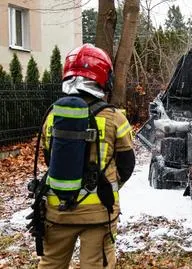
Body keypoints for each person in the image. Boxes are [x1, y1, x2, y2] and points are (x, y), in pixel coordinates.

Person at [38, 44, 135, 268]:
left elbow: (48, 158)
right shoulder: (115, 118)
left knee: (51, 262)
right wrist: (107, 184)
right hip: (98, 213)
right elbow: (127, 164)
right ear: (103, 77)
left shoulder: (52, 116)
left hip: (58, 209)